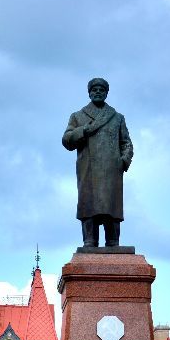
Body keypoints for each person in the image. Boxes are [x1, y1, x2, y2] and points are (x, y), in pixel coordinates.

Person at [62, 77, 134, 248]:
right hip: (88, 169)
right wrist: (83, 130)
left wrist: (123, 161)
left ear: (106, 93)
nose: (98, 92)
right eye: (94, 90)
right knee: (89, 206)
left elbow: (126, 143)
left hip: (112, 170)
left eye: (102, 90)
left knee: (112, 207)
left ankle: (113, 241)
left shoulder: (117, 118)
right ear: (89, 93)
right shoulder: (78, 116)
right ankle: (90, 240)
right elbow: (67, 140)